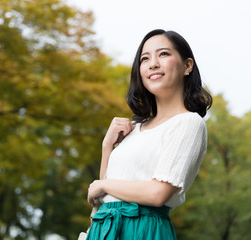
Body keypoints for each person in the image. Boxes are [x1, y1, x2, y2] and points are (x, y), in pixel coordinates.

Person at [86, 29, 212, 239]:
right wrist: (107, 146)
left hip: (144, 229)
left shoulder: (189, 123)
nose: (153, 63)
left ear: (187, 66)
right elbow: (105, 195)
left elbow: (157, 194)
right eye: (145, 58)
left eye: (163, 54)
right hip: (104, 229)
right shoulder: (134, 127)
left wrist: (103, 185)